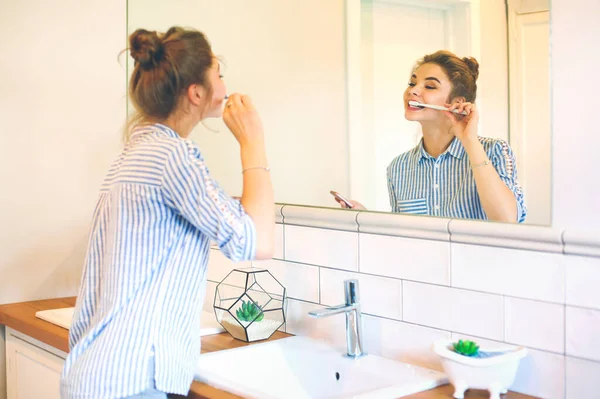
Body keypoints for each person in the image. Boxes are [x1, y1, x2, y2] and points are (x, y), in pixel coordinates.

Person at [60, 26, 274, 399]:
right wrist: (253, 140)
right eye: (219, 74)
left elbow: (227, 216)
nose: (224, 85)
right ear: (196, 93)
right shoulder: (175, 157)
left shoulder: (135, 154)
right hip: (132, 380)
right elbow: (256, 242)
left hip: (95, 373)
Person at [338, 50, 526, 223]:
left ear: (457, 102)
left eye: (429, 86)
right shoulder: (398, 167)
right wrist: (365, 218)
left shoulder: (494, 151)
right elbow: (404, 237)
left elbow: (507, 221)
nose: (412, 90)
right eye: (412, 83)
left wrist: (470, 141)